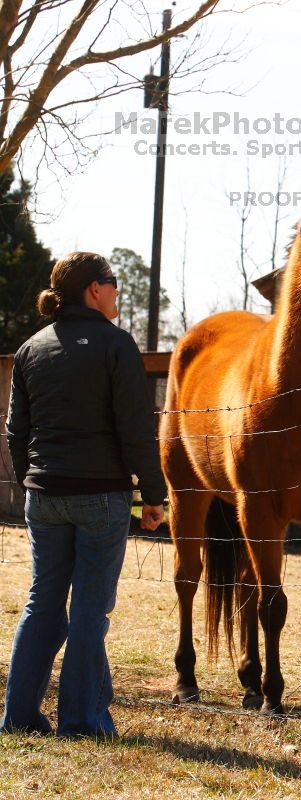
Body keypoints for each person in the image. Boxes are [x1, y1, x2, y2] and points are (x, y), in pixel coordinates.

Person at [0, 252, 166, 737]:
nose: (117, 290)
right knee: (91, 609)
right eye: (112, 283)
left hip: (44, 497)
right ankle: (82, 720)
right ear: (94, 289)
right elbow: (136, 429)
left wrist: (36, 477)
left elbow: (15, 432)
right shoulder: (116, 346)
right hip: (100, 498)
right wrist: (153, 495)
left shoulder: (31, 349)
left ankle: (18, 716)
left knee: (42, 602)